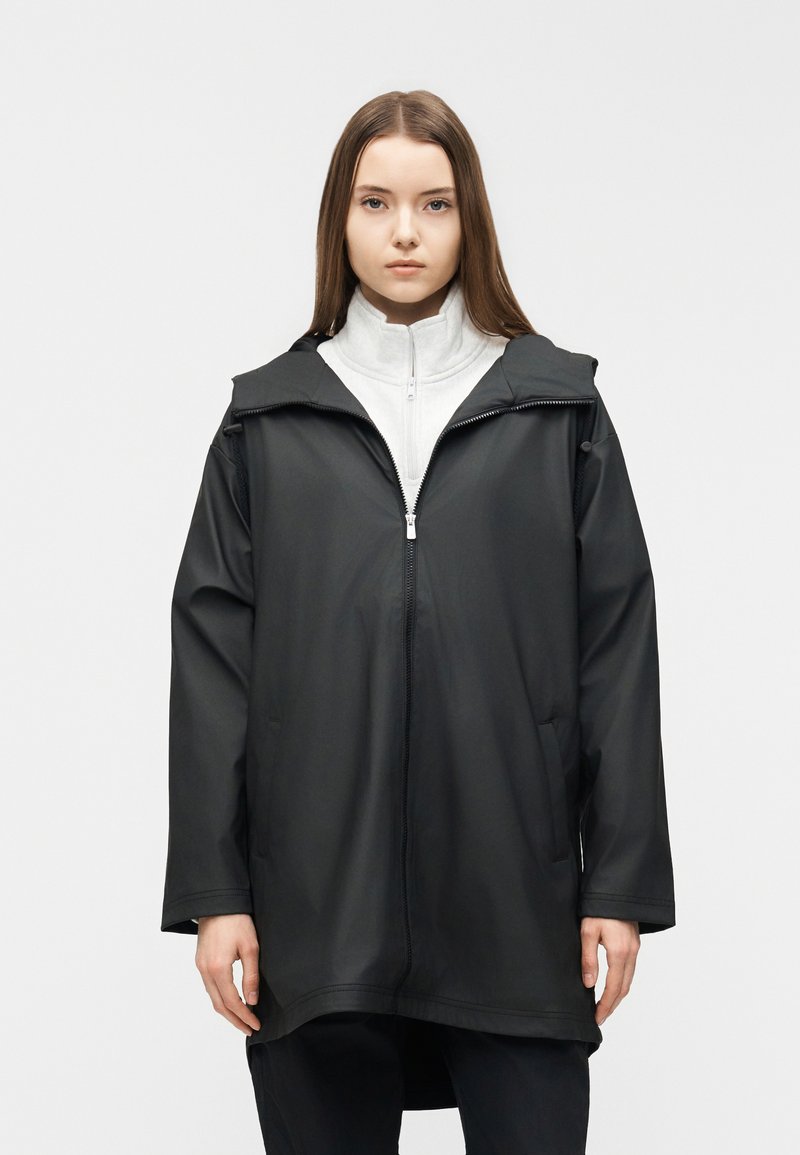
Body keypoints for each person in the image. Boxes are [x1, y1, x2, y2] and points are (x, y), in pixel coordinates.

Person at [161, 89, 676, 1155]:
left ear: (467, 217)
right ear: (339, 219)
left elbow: (615, 651)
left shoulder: (557, 411)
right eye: (376, 202)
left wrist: (619, 884)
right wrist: (216, 895)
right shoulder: (266, 421)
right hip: (316, 910)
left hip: (516, 900)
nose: (405, 231)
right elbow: (214, 668)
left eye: (434, 204)